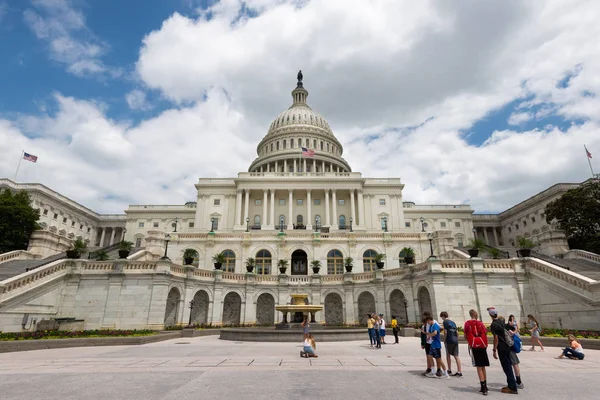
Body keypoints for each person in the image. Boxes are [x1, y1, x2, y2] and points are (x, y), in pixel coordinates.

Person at [489, 307, 518, 394]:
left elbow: (496, 339)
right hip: (507, 346)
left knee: (507, 367)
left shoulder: (493, 325)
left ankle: (512, 387)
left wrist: (494, 350)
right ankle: (510, 384)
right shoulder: (501, 321)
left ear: (490, 315)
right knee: (508, 366)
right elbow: (512, 328)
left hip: (501, 348)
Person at [464, 309, 490, 395]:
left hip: (474, 345)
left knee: (478, 366)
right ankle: (485, 385)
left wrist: (470, 342)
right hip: (482, 345)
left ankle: (482, 387)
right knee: (483, 366)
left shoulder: (467, 323)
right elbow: (485, 333)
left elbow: (465, 335)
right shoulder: (480, 323)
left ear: (470, 315)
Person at [422, 315, 450, 379]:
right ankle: (433, 371)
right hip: (432, 344)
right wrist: (425, 333)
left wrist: (429, 334)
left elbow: (435, 333)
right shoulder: (431, 326)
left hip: (436, 345)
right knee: (429, 356)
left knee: (439, 359)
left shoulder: (435, 325)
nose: (427, 323)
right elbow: (429, 333)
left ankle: (446, 374)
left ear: (430, 320)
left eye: (428, 322)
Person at [440, 311, 462, 377]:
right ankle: (459, 371)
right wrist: (456, 339)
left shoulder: (445, 322)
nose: (441, 318)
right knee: (456, 355)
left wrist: (444, 340)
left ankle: (449, 369)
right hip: (455, 340)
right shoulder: (453, 322)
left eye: (441, 317)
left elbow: (445, 332)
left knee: (448, 354)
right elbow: (457, 333)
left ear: (443, 316)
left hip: (449, 340)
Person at [506, 320, 524, 389]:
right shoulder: (509, 327)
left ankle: (518, 381)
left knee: (514, 364)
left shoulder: (505, 327)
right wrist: (513, 333)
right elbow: (515, 329)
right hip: (512, 347)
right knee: (515, 364)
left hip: (509, 348)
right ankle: (518, 380)